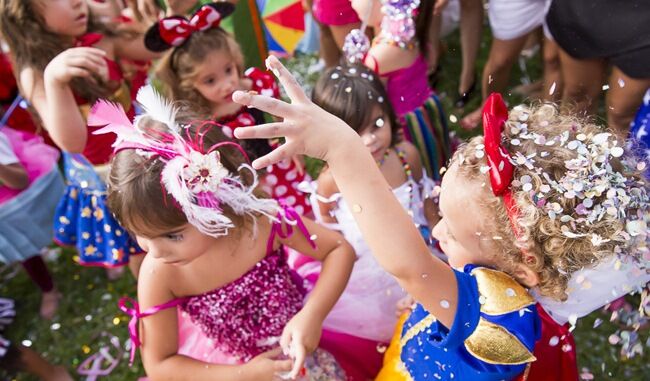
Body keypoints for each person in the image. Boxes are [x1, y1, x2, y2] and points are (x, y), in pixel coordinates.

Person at [232, 55, 649, 380]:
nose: (438, 233)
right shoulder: (489, 286)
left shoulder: (500, 315)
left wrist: (343, 148)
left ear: (525, 264)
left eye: (453, 228)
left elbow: (410, 267)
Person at [92, 85, 354, 380]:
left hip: (305, 344)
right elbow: (159, 364)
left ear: (214, 204)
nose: (155, 251)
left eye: (172, 236)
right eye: (140, 235)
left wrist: (313, 315)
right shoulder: (159, 274)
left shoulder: (263, 221)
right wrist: (242, 374)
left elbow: (339, 249)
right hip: (230, 371)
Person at [298, 63, 439, 380]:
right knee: (382, 332)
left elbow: (424, 200)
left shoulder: (406, 156)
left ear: (390, 113)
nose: (370, 139)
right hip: (367, 273)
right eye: (355, 132)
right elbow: (330, 228)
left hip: (418, 254)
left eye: (377, 124)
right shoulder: (332, 180)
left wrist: (439, 237)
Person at [0, 0, 160, 275]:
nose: (77, 1)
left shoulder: (99, 37)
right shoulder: (35, 73)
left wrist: (176, 16)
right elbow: (73, 143)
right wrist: (55, 81)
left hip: (147, 147)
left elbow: (151, 48)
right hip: (109, 173)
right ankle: (160, 298)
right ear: (27, 16)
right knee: (142, 244)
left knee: (169, 218)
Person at [149, 2, 312, 215]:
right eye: (210, 80)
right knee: (270, 224)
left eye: (229, 70)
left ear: (235, 59)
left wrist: (292, 143)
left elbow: (282, 114)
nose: (226, 83)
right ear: (190, 85)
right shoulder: (203, 118)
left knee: (302, 209)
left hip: (278, 166)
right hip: (243, 184)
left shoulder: (255, 85)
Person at [347, 0, 450, 180]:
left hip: (405, 127)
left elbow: (370, 102)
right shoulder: (409, 30)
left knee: (418, 169)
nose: (351, 2)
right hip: (426, 110)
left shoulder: (379, 56)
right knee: (435, 156)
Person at [0, 127, 64, 319]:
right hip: (5, 213)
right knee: (22, 246)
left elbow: (20, 180)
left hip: (31, 189)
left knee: (65, 221)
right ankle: (49, 288)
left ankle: (98, 256)